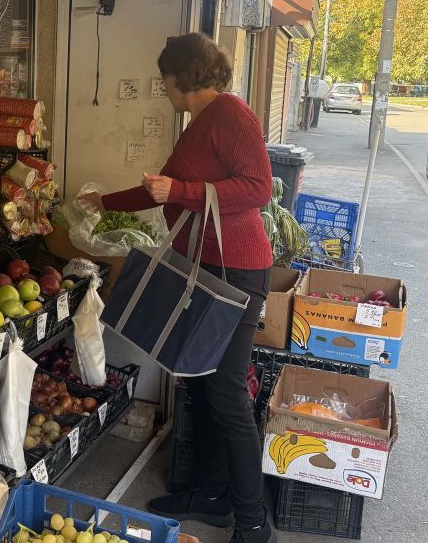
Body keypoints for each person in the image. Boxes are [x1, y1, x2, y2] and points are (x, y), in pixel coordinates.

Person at [80, 33, 275, 543]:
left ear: (181, 78)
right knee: (203, 384)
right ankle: (212, 497)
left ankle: (253, 524)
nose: (162, 88)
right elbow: (160, 188)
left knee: (228, 393)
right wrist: (104, 203)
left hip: (236, 272)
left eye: (164, 79)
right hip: (204, 268)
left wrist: (184, 192)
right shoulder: (197, 125)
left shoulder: (232, 114)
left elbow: (259, 188)